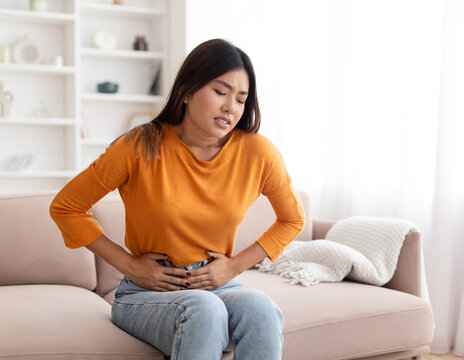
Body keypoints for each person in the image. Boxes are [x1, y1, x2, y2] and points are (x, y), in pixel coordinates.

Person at [49, 38, 306, 360]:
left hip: (219, 288)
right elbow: (66, 207)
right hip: (146, 294)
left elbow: (292, 219)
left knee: (261, 307)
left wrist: (232, 268)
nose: (231, 107)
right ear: (186, 90)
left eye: (241, 99)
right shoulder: (140, 145)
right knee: (204, 308)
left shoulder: (258, 152)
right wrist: (130, 265)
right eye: (220, 91)